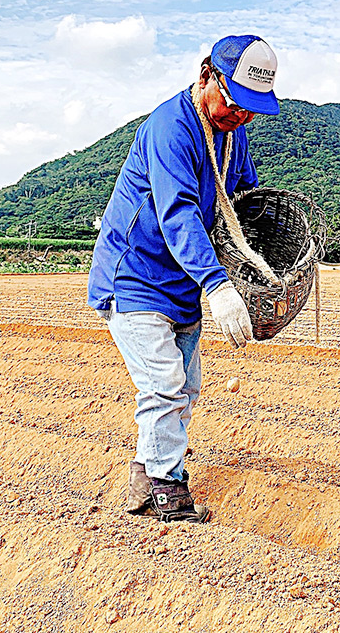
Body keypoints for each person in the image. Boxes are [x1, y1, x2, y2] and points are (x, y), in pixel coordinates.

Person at [87, 35, 280, 523]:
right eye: (237, 104)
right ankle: (166, 486)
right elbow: (179, 214)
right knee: (164, 385)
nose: (243, 116)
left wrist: (265, 255)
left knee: (185, 388)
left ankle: (144, 472)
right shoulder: (171, 128)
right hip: (135, 273)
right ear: (206, 77)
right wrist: (217, 284)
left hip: (180, 279)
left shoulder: (233, 134)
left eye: (253, 110)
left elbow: (240, 199)